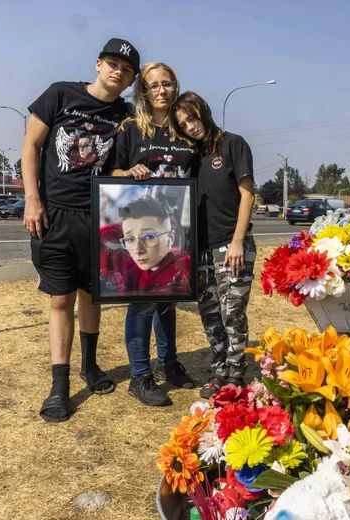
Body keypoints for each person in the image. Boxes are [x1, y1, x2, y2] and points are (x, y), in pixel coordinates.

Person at [22, 38, 139, 422]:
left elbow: (125, 162)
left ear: (130, 80)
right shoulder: (60, 94)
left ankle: (90, 366)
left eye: (126, 70)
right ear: (98, 64)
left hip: (100, 217)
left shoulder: (125, 115)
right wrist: (32, 199)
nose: (118, 71)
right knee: (61, 299)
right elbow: (30, 146)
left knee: (92, 295)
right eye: (113, 63)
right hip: (54, 214)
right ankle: (59, 386)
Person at [110, 62, 200, 406]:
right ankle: (139, 376)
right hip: (143, 229)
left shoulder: (185, 127)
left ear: (176, 86)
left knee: (168, 298)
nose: (161, 90)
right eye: (153, 85)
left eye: (167, 83)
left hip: (178, 228)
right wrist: (127, 172)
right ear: (143, 92)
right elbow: (111, 173)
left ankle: (169, 362)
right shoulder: (132, 128)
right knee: (142, 301)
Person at [169, 91, 256, 399]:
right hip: (200, 250)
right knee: (210, 315)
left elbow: (247, 195)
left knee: (232, 314)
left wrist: (237, 241)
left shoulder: (233, 144)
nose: (191, 127)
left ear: (203, 112)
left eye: (192, 118)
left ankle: (236, 376)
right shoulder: (192, 157)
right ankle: (219, 371)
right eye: (183, 125)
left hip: (231, 247)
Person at [99, 195, 191, 295]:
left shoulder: (185, 268)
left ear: (170, 237)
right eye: (130, 239)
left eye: (148, 237)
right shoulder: (132, 271)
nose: (138, 250)